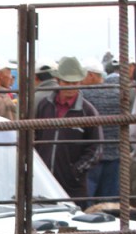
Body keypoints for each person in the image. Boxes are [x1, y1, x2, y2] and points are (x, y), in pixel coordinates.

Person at [35, 56, 103, 209]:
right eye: (67, 82)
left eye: (74, 83)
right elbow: (35, 137)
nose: (71, 87)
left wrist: (75, 171)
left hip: (73, 186)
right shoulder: (44, 105)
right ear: (58, 81)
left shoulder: (88, 111)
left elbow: (96, 149)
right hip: (45, 181)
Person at [81, 58, 120, 205]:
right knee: (109, 202)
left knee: (87, 199)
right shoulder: (117, 93)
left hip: (91, 155)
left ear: (91, 75)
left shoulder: (84, 95)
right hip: (115, 154)